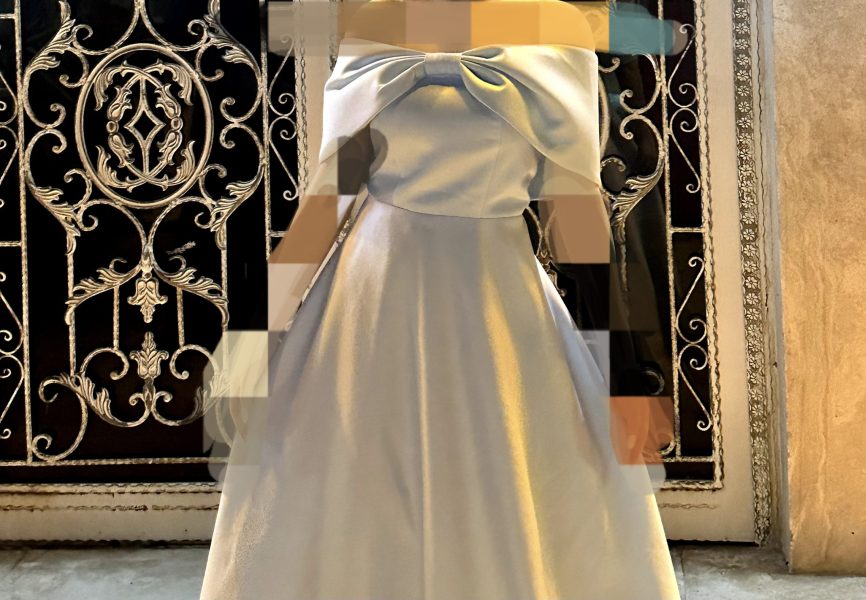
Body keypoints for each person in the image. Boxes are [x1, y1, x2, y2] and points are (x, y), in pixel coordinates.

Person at [199, 1, 681, 598]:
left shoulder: (553, 34)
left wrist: (625, 374)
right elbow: (327, 203)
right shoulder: (377, 25)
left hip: (494, 313)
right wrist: (256, 337)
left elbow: (575, 220)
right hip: (367, 312)